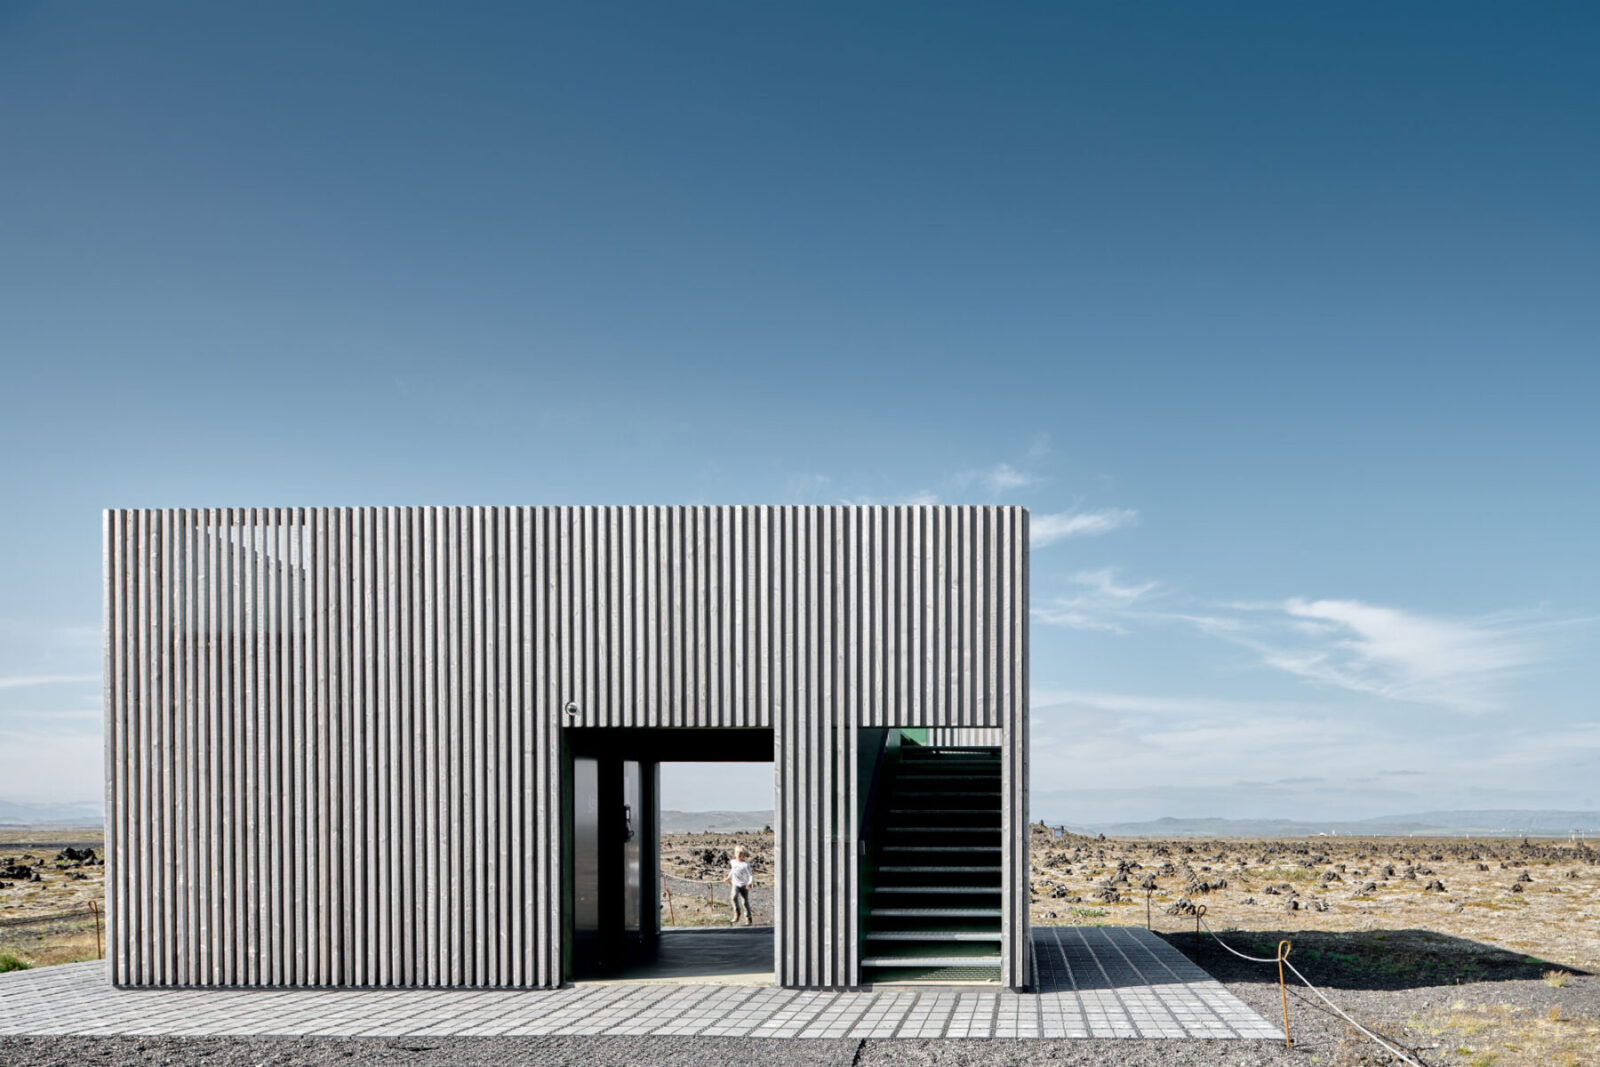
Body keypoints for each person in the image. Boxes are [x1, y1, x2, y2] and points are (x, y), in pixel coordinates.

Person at [727, 846, 754, 925]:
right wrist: (728, 877)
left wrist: (750, 883)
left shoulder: (746, 865)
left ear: (744, 855)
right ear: (735, 854)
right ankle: (737, 913)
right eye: (737, 853)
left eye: (741, 853)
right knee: (733, 897)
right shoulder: (733, 862)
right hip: (735, 884)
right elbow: (732, 870)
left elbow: (751, 875)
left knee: (745, 902)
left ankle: (748, 918)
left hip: (744, 885)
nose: (739, 855)